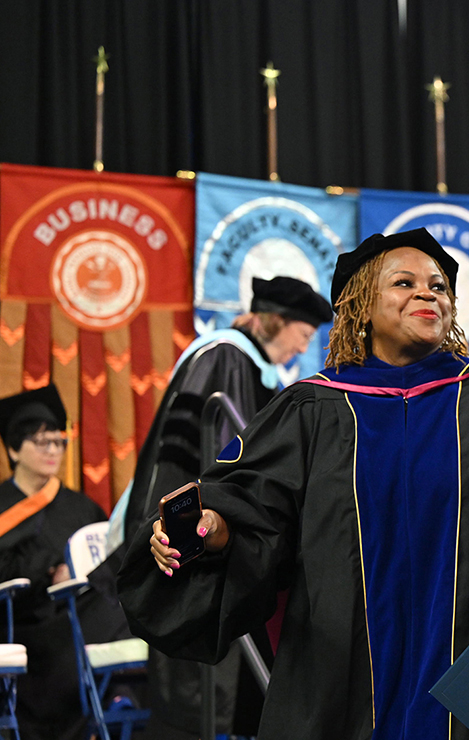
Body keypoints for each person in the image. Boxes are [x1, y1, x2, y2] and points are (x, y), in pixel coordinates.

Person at [117, 228, 469, 740]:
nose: (427, 293)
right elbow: (251, 511)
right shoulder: (311, 411)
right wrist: (214, 528)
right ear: (361, 307)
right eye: (404, 282)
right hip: (339, 678)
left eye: (439, 287)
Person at [95, 274, 332, 739]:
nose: (301, 351)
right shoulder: (223, 359)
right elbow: (212, 464)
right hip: (194, 547)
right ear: (273, 321)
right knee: (197, 693)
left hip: (217, 545)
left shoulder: (249, 365)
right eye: (302, 335)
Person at [0, 384, 131, 740]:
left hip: (80, 609)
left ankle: (124, 698)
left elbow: (106, 560)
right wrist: (47, 569)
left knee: (122, 605)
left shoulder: (80, 507)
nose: (53, 450)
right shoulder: (1, 505)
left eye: (59, 442)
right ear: (14, 448)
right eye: (42, 442)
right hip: (23, 621)